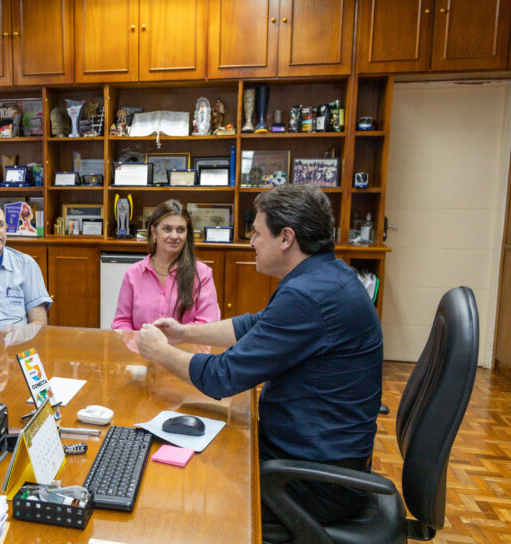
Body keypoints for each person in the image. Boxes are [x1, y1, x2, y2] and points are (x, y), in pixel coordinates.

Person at [137, 185, 383, 526]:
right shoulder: (327, 276)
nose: (252, 242)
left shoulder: (308, 296)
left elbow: (223, 377)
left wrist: (161, 352)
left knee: (187, 498)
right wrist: (185, 332)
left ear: (286, 238)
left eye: (256, 233)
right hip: (315, 454)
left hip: (313, 482)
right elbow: (256, 324)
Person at [112, 199, 220, 330]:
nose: (174, 236)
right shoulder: (133, 274)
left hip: (185, 350)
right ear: (154, 231)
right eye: (167, 229)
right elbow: (121, 322)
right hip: (142, 349)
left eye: (180, 230)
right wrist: (138, 343)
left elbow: (208, 324)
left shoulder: (202, 274)